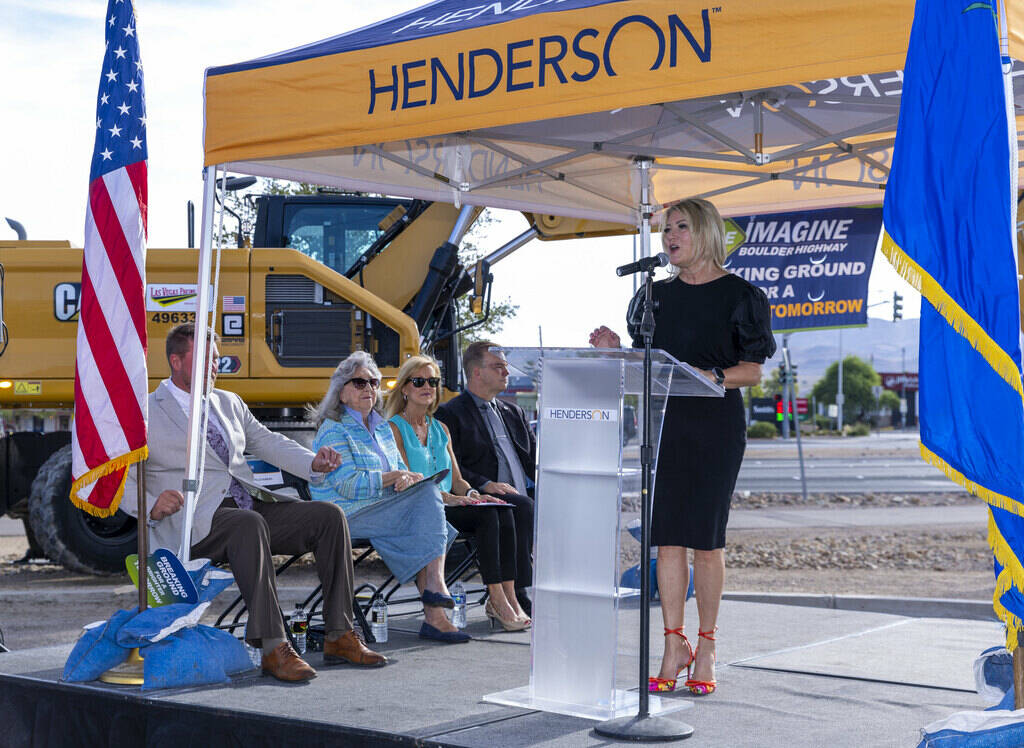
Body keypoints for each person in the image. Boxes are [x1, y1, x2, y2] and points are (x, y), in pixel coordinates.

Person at [123, 323, 386, 683]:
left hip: (248, 505)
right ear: (176, 361)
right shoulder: (146, 410)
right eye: (206, 360)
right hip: (193, 520)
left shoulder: (227, 402)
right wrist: (151, 504)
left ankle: (339, 633)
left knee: (329, 516)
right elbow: (118, 475)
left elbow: (266, 441)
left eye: (217, 360)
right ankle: (273, 647)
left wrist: (313, 462)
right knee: (248, 525)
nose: (216, 367)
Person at [590, 197, 775, 697]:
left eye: (681, 227)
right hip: (667, 422)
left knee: (705, 540)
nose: (670, 236)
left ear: (708, 233)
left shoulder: (742, 296)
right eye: (666, 228)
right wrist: (615, 353)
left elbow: (753, 369)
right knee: (667, 537)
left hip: (715, 424)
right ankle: (674, 644)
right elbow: (644, 363)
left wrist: (709, 375)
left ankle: (708, 645)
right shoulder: (653, 296)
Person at [309, 351, 470, 644]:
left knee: (426, 505)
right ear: (341, 393)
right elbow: (347, 485)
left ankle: (435, 614)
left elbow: (399, 469)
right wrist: (392, 478)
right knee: (429, 516)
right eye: (360, 383)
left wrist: (408, 477)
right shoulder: (333, 430)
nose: (369, 388)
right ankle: (436, 600)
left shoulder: (381, 428)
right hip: (345, 515)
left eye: (373, 382)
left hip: (381, 508)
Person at [386, 355, 530, 632]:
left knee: (500, 508)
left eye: (433, 381)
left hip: (449, 505)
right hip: (418, 507)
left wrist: (475, 494)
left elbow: (458, 480)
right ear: (404, 388)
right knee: (487, 519)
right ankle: (497, 599)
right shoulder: (393, 429)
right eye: (419, 381)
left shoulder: (440, 429)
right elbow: (409, 484)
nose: (427, 386)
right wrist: (454, 498)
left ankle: (509, 597)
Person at [435, 340, 536, 616]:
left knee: (559, 504)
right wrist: (483, 484)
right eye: (499, 366)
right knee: (523, 507)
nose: (506, 373)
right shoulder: (450, 413)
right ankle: (518, 592)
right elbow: (449, 465)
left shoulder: (512, 411)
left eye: (506, 366)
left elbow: (535, 458)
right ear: (477, 372)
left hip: (525, 494)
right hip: (484, 498)